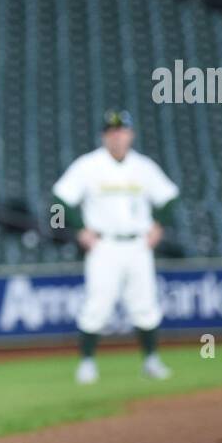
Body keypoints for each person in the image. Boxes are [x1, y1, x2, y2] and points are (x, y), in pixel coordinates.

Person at [51, 110, 179, 385]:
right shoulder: (88, 165)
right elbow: (57, 201)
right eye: (112, 132)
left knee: (145, 304)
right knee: (97, 304)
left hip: (138, 244)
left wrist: (159, 226)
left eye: (122, 131)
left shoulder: (143, 167)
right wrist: (76, 229)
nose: (117, 136)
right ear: (104, 136)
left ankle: (151, 361)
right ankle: (87, 364)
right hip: (104, 245)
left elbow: (170, 198)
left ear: (131, 135)